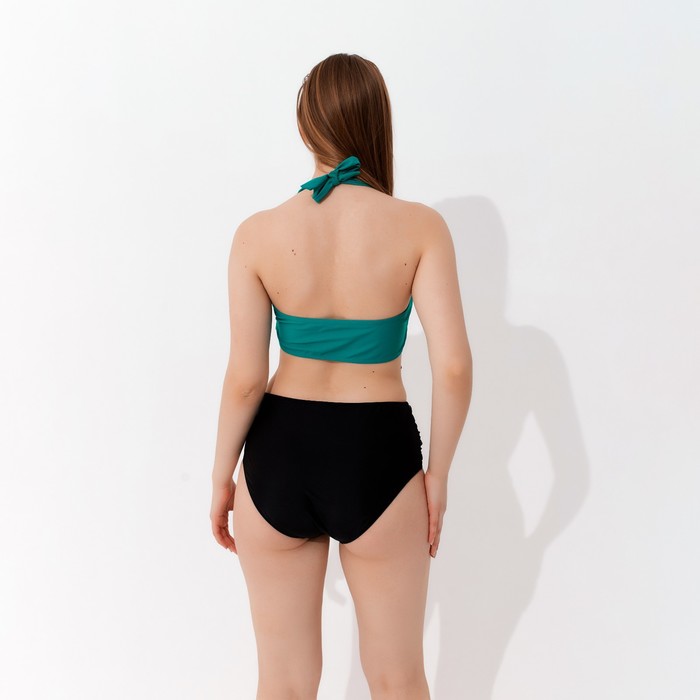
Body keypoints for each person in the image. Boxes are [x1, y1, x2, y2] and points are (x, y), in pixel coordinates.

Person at [210, 52, 472, 700]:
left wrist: (221, 477)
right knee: (399, 678)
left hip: (278, 453)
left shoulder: (257, 233)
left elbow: (245, 378)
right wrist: (437, 475)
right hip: (376, 450)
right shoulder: (420, 227)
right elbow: (454, 366)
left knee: (283, 682)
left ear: (306, 127)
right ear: (377, 121)